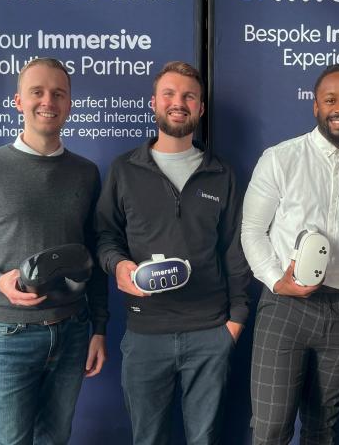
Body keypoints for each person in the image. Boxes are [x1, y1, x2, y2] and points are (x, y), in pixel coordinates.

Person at [0, 57, 109, 445]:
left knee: (55, 440)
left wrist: (99, 328)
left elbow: (93, 257)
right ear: (18, 101)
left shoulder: (86, 173)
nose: (47, 101)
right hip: (8, 337)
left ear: (69, 104)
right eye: (37, 92)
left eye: (58, 93)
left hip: (72, 334)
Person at [95, 61, 251, 445]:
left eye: (188, 96)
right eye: (169, 94)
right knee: (147, 439)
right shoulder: (125, 170)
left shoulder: (222, 174)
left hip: (209, 332)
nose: (178, 102)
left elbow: (236, 249)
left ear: (199, 109)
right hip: (145, 332)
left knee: (204, 438)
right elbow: (104, 236)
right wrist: (118, 266)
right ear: (154, 103)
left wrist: (235, 322)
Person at [242, 64, 339, 444]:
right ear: (315, 106)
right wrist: (277, 281)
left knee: (323, 427)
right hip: (284, 308)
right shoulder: (280, 158)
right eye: (331, 100)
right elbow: (253, 231)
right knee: (271, 426)